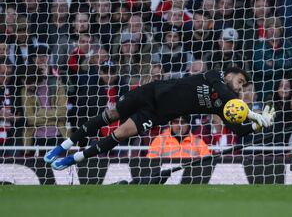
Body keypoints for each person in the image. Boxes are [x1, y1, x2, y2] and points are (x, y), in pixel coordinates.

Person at [45, 67, 275, 170]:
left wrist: (257, 124)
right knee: (112, 114)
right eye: (240, 81)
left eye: (243, 85)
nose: (240, 86)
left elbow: (240, 132)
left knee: (121, 133)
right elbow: (223, 91)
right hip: (150, 92)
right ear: (230, 75)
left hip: (156, 114)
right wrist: (251, 112)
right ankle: (62, 146)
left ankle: (73, 158)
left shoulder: (223, 106)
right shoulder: (214, 75)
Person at [147, 116, 211, 158]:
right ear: (170, 123)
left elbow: (207, 164)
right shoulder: (160, 140)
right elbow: (151, 164)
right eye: (176, 122)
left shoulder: (198, 142)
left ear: (188, 124)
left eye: (183, 122)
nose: (179, 125)